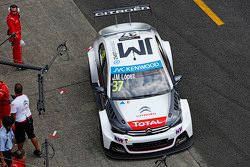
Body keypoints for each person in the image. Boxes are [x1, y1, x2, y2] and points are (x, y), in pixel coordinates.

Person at [11, 83, 41, 157]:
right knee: (32, 135)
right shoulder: (25, 97)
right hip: (29, 118)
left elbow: (13, 116)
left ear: (15, 91)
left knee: (20, 138)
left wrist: (12, 125)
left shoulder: (13, 103)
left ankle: (19, 152)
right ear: (22, 90)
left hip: (20, 122)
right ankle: (38, 150)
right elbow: (22, 103)